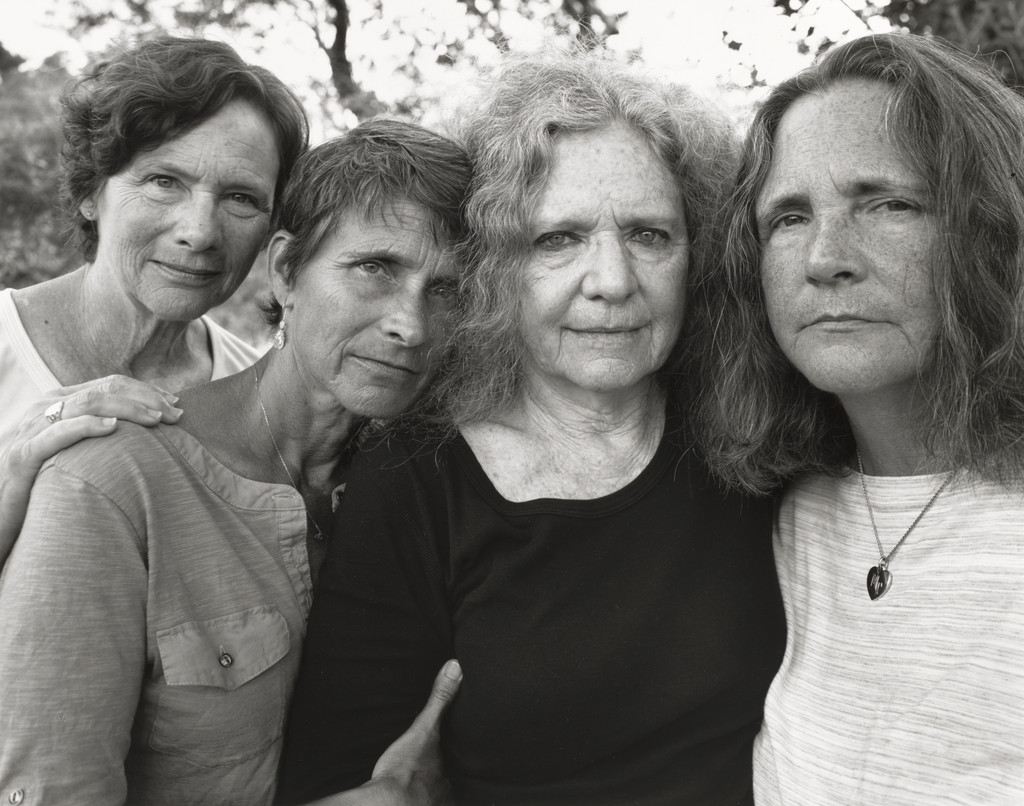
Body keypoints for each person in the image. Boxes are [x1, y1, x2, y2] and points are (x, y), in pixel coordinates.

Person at [277, 48, 786, 806]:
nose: (612, 281)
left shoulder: (750, 438)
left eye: (650, 235)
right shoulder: (419, 478)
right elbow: (338, 779)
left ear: (697, 255)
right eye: (557, 239)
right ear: (494, 267)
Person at [0, 119, 472, 805]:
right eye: (375, 268)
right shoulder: (109, 479)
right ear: (285, 271)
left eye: (448, 290)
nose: (410, 324)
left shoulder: (421, 487)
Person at [689, 33, 1024, 804]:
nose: (825, 257)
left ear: (993, 230)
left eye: (889, 203)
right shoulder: (780, 512)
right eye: (789, 217)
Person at [0, 33, 308, 561]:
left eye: (241, 197)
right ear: (89, 192)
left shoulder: (248, 393)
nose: (200, 231)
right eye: (164, 181)